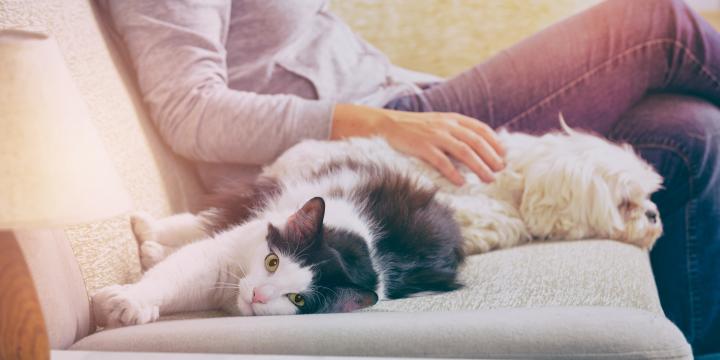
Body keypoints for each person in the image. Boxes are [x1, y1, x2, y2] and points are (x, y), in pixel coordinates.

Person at [100, 0, 719, 355]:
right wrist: (388, 123)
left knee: (688, 131)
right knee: (657, 23)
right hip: (386, 136)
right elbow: (191, 112)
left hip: (408, 108)